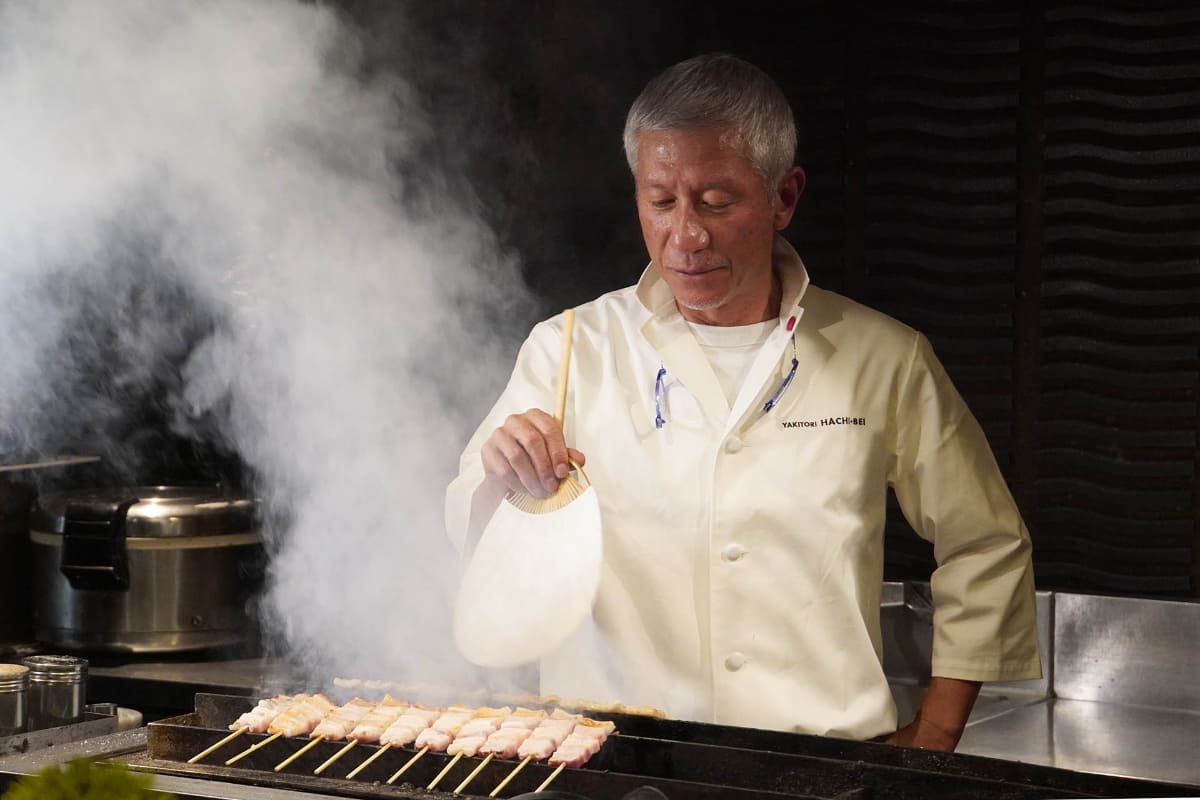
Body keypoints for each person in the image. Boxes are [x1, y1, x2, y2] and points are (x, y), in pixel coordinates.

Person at [445, 53, 1040, 751]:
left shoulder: (885, 358)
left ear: (784, 196)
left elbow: (987, 543)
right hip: (612, 764)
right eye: (660, 201)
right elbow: (467, 529)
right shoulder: (569, 349)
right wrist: (502, 478)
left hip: (823, 765)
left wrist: (936, 734)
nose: (685, 236)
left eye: (716, 201)